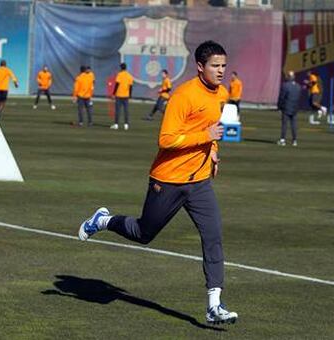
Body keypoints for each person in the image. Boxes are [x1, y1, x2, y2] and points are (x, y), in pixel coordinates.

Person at [78, 40, 238, 325]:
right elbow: (165, 139)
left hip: (199, 183)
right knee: (143, 233)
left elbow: (211, 132)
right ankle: (103, 221)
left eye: (224, 65)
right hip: (168, 180)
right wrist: (206, 138)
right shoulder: (184, 95)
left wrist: (213, 152)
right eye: (215, 65)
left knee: (213, 237)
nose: (221, 71)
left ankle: (214, 304)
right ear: (200, 67)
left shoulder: (222, 93)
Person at [277, 71, 302, 147]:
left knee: (284, 124)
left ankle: (282, 140)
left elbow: (281, 97)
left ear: (288, 77)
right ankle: (294, 140)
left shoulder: (285, 85)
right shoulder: (298, 86)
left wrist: (279, 107)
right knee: (293, 125)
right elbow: (298, 97)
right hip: (294, 108)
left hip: (286, 107)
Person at [111, 63, 134, 130]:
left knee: (117, 110)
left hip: (119, 95)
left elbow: (117, 84)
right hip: (126, 95)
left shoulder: (119, 74)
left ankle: (116, 125)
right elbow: (130, 86)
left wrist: (113, 93)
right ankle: (126, 125)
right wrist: (130, 95)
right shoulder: (129, 75)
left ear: (121, 68)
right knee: (126, 110)